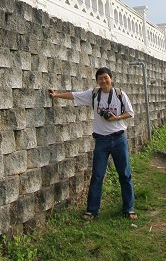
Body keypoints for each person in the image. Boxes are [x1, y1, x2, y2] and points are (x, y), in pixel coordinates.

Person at [47, 66, 137, 221]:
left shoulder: (120, 94)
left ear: (111, 78)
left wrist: (116, 118)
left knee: (125, 174)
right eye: (100, 78)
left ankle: (129, 209)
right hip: (101, 140)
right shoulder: (94, 94)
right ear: (97, 81)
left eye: (105, 78)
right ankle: (92, 211)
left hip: (119, 139)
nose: (103, 81)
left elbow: (130, 113)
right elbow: (74, 95)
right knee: (97, 175)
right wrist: (56, 95)